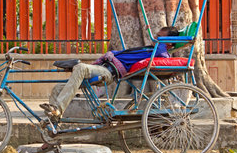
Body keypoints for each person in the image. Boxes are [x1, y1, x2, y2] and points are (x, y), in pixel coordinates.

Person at [40, 26, 179, 121]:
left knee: (81, 67)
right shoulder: (149, 49)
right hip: (104, 66)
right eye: (157, 36)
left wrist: (164, 43)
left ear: (169, 43)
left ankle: (58, 108)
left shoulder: (161, 52)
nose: (155, 39)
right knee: (58, 89)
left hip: (109, 72)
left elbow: (163, 52)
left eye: (160, 37)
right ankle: (52, 133)